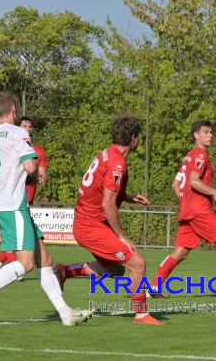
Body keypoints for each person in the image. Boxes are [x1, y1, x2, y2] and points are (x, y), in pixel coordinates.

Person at [0, 91, 92, 326]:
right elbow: (31, 165)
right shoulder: (19, 133)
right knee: (25, 263)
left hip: (4, 205)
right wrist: (31, 172)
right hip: (14, 205)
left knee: (46, 260)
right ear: (13, 109)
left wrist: (1, 179)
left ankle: (65, 313)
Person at [55, 117, 163, 325]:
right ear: (133, 138)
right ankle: (141, 314)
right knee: (138, 263)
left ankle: (64, 271)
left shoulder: (107, 154)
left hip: (86, 223)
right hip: (90, 225)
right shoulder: (117, 163)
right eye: (138, 136)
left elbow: (103, 191)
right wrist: (122, 236)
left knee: (116, 270)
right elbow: (107, 204)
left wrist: (129, 197)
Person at [148, 120, 216, 301]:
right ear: (196, 135)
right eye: (206, 132)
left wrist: (186, 200)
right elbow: (193, 181)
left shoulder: (189, 156)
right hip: (200, 211)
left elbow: (175, 184)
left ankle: (154, 286)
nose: (210, 135)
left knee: (181, 252)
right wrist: (215, 192)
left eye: (211, 132)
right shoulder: (200, 154)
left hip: (188, 211)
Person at [0, 116, 48, 280]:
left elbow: (41, 173)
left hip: (25, 201)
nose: (27, 128)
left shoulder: (38, 151)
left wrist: (42, 177)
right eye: (24, 125)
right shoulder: (12, 144)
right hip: (14, 201)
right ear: (18, 128)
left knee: (19, 242)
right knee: (24, 250)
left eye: (30, 126)